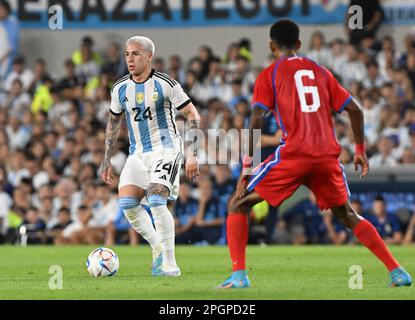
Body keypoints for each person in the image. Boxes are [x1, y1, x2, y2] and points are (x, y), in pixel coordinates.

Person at [219, 19, 411, 289]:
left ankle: (239, 276)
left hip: (295, 155)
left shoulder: (269, 74)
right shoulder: (320, 71)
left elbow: (256, 117)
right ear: (298, 44)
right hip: (326, 157)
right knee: (347, 215)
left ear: (272, 46)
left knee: (237, 204)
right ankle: (397, 271)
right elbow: (355, 109)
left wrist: (247, 166)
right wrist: (359, 150)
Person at [101, 36, 200, 277]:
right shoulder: (120, 88)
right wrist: (107, 159)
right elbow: (113, 123)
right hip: (137, 154)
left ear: (148, 57)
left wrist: (192, 153)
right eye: (127, 54)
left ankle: (170, 264)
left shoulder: (166, 84)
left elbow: (193, 115)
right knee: (126, 203)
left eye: (135, 54)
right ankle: (157, 247)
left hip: (166, 149)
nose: (130, 59)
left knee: (156, 200)